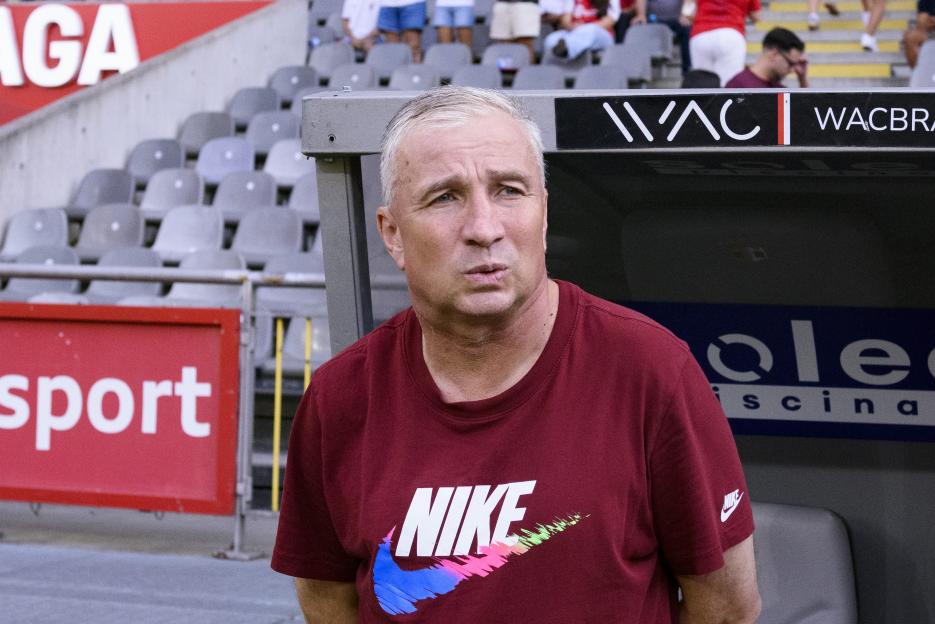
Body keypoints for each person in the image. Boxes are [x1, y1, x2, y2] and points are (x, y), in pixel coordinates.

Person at [271, 86, 761, 623]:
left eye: (508, 190)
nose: (484, 229)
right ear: (393, 235)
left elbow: (726, 608)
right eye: (445, 197)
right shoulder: (340, 398)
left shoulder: (652, 371)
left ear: (543, 214)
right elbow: (326, 600)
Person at [689, 0, 760, 86]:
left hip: (701, 34)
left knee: (701, 84)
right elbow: (756, 16)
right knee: (728, 85)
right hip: (731, 34)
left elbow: (688, 11)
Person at [725, 27, 808, 88]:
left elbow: (807, 105)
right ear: (774, 54)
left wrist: (802, 78)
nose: (792, 70)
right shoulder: (738, 86)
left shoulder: (778, 88)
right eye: (790, 64)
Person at [543, 0, 621, 60]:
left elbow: (610, 20)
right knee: (551, 39)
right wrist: (572, 26)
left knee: (590, 30)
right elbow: (565, 21)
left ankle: (567, 50)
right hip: (575, 32)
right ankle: (567, 48)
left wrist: (583, 27)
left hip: (601, 35)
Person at [633, 0, 692, 73]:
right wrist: (641, 15)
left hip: (677, 19)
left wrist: (685, 14)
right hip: (653, 20)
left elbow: (688, 1)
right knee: (638, 27)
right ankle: (638, 70)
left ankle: (687, 70)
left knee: (687, 28)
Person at [904, 0, 935, 67]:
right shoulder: (926, 1)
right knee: (910, 36)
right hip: (931, 33)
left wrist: (931, 20)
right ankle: (918, 71)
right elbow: (922, 23)